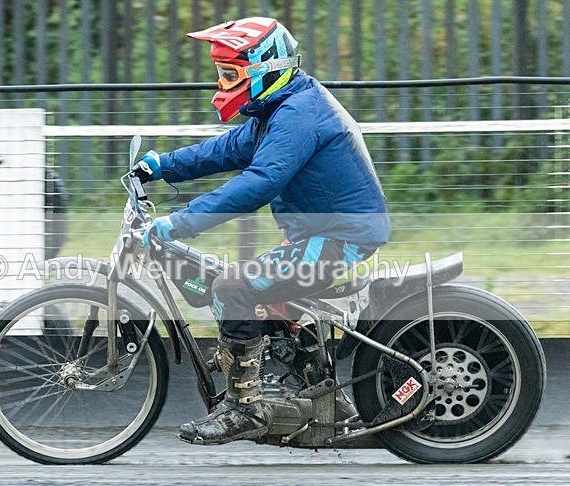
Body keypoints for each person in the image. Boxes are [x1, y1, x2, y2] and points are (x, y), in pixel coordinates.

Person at [132, 17, 390, 445]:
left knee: (232, 287)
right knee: (266, 299)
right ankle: (324, 401)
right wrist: (163, 165)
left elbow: (261, 181)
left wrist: (182, 221)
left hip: (340, 238)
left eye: (230, 73)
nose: (222, 82)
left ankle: (243, 409)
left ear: (268, 66)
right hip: (323, 233)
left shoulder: (298, 113)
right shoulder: (281, 108)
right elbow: (224, 149)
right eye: (221, 73)